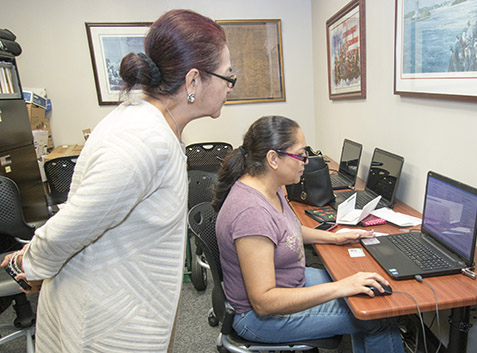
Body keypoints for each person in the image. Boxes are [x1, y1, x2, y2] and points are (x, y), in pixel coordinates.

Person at [1, 9, 235, 353]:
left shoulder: (155, 124)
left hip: (128, 304)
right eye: (227, 76)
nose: (230, 86)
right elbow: (72, 223)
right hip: (106, 325)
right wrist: (28, 265)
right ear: (194, 81)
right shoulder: (143, 138)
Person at [213, 116, 405, 353]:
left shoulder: (269, 187)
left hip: (288, 280)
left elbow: (284, 232)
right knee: (377, 317)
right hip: (259, 317)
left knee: (364, 289)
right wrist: (341, 287)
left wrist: (334, 237)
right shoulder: (250, 212)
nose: (305, 162)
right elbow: (264, 302)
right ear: (273, 158)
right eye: (300, 155)